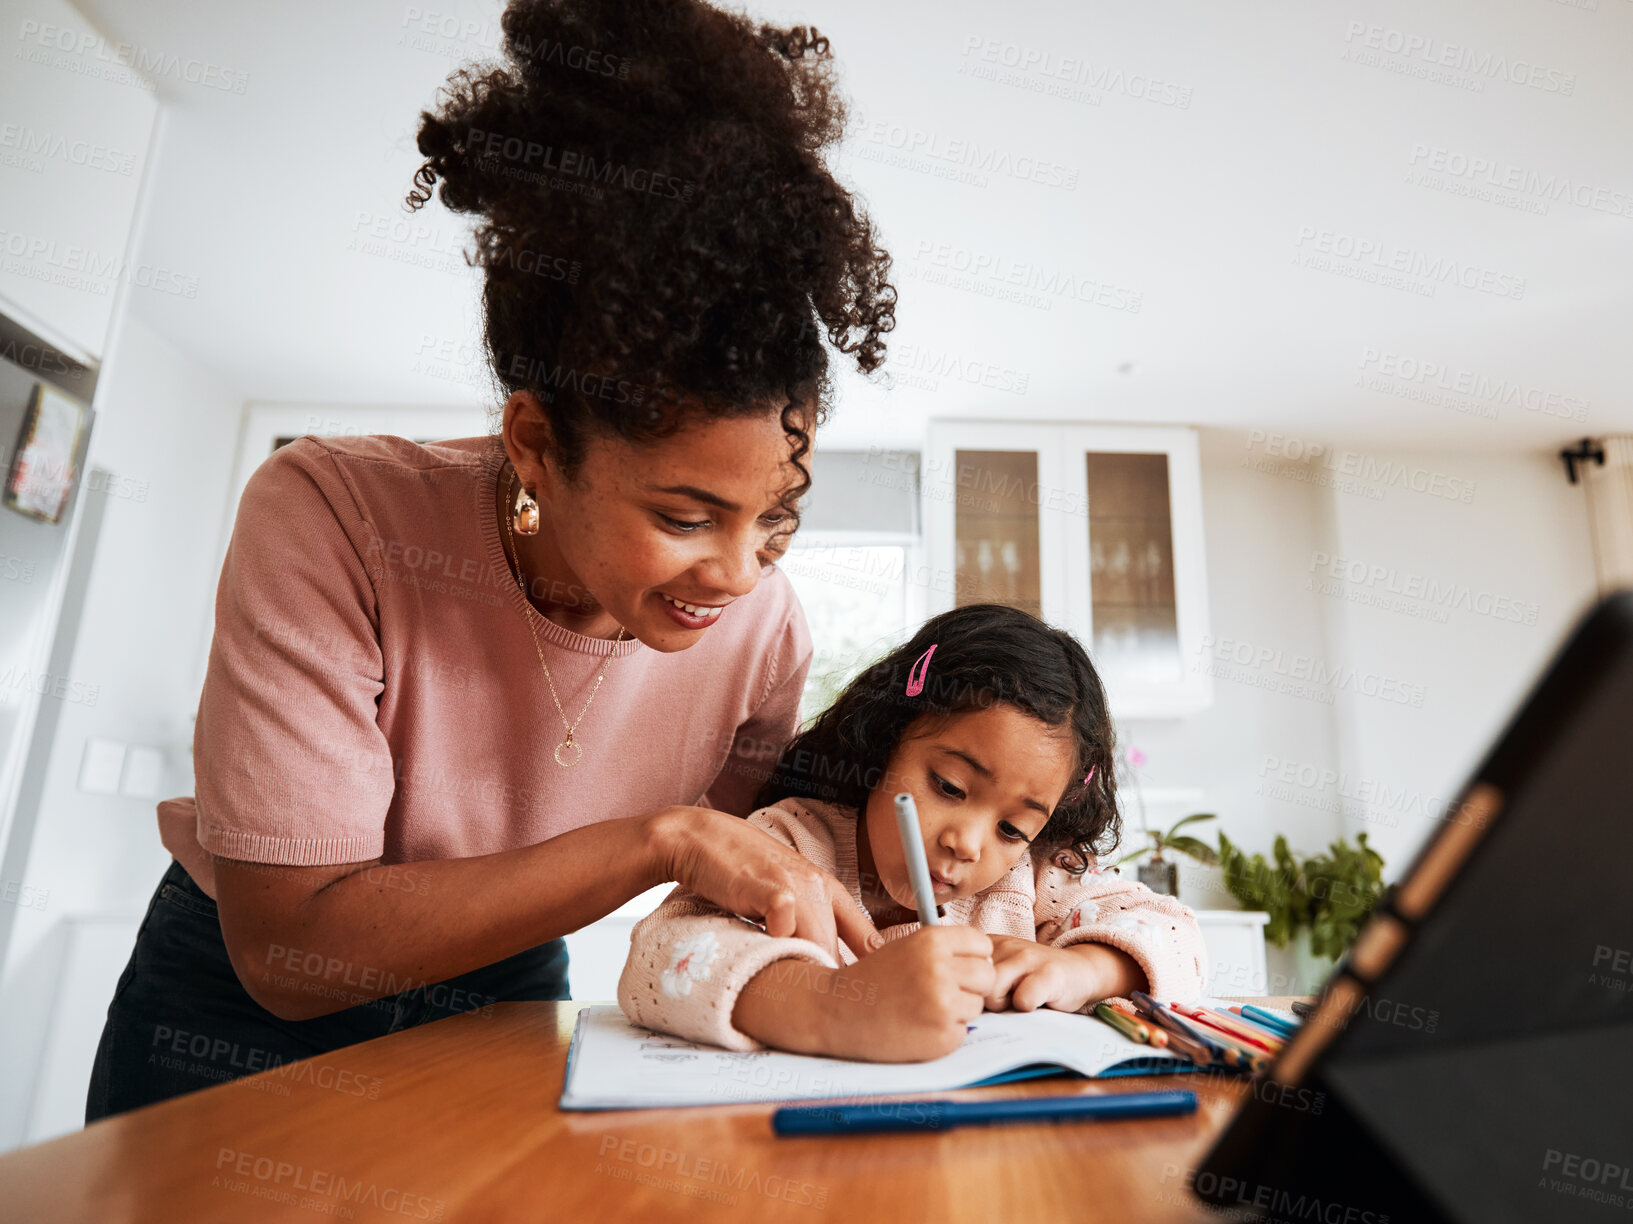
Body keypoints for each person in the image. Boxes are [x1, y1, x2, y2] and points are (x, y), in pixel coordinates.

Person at [87, 0, 896, 1120]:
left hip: (510, 988)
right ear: (534, 444)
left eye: (775, 519)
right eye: (685, 515)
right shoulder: (333, 517)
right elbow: (290, 950)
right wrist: (660, 839)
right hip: (239, 1014)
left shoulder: (764, 633)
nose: (738, 572)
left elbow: (758, 882)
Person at [619, 604, 1209, 1060]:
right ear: (886, 742)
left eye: (1012, 827)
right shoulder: (792, 841)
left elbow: (1179, 938)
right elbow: (661, 956)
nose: (968, 844)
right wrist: (834, 1007)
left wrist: (1086, 969)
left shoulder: (1035, 879)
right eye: (949, 787)